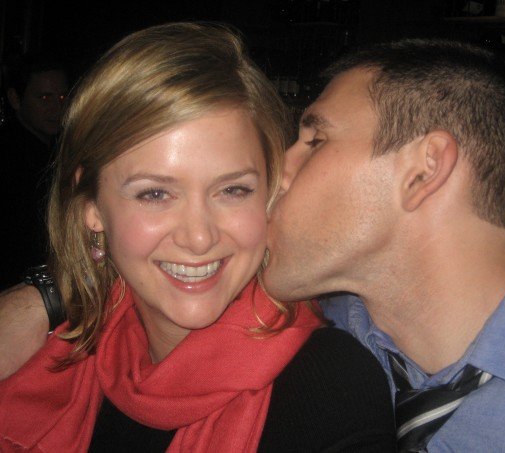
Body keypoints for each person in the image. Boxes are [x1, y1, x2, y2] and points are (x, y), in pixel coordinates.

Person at [2, 36, 505, 452]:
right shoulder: (343, 323)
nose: (279, 176)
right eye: (156, 193)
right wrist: (52, 292)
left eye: (313, 141)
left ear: (423, 172)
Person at [0, 22, 394, 452]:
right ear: (91, 207)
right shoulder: (47, 358)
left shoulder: (332, 389)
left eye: (233, 190)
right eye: (155, 194)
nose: (200, 237)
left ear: (270, 193)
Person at [0, 52, 69, 288]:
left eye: (62, 97)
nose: (57, 107)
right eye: (44, 98)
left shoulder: (57, 148)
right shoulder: (11, 156)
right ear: (15, 98)